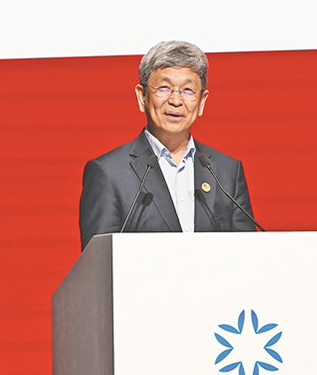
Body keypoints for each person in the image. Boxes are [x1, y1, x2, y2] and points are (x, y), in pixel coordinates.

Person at [79, 40, 257, 251]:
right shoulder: (109, 174)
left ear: (201, 101)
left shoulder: (227, 172)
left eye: (188, 90)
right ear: (142, 96)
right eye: (164, 88)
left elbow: (248, 255)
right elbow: (99, 262)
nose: (176, 101)